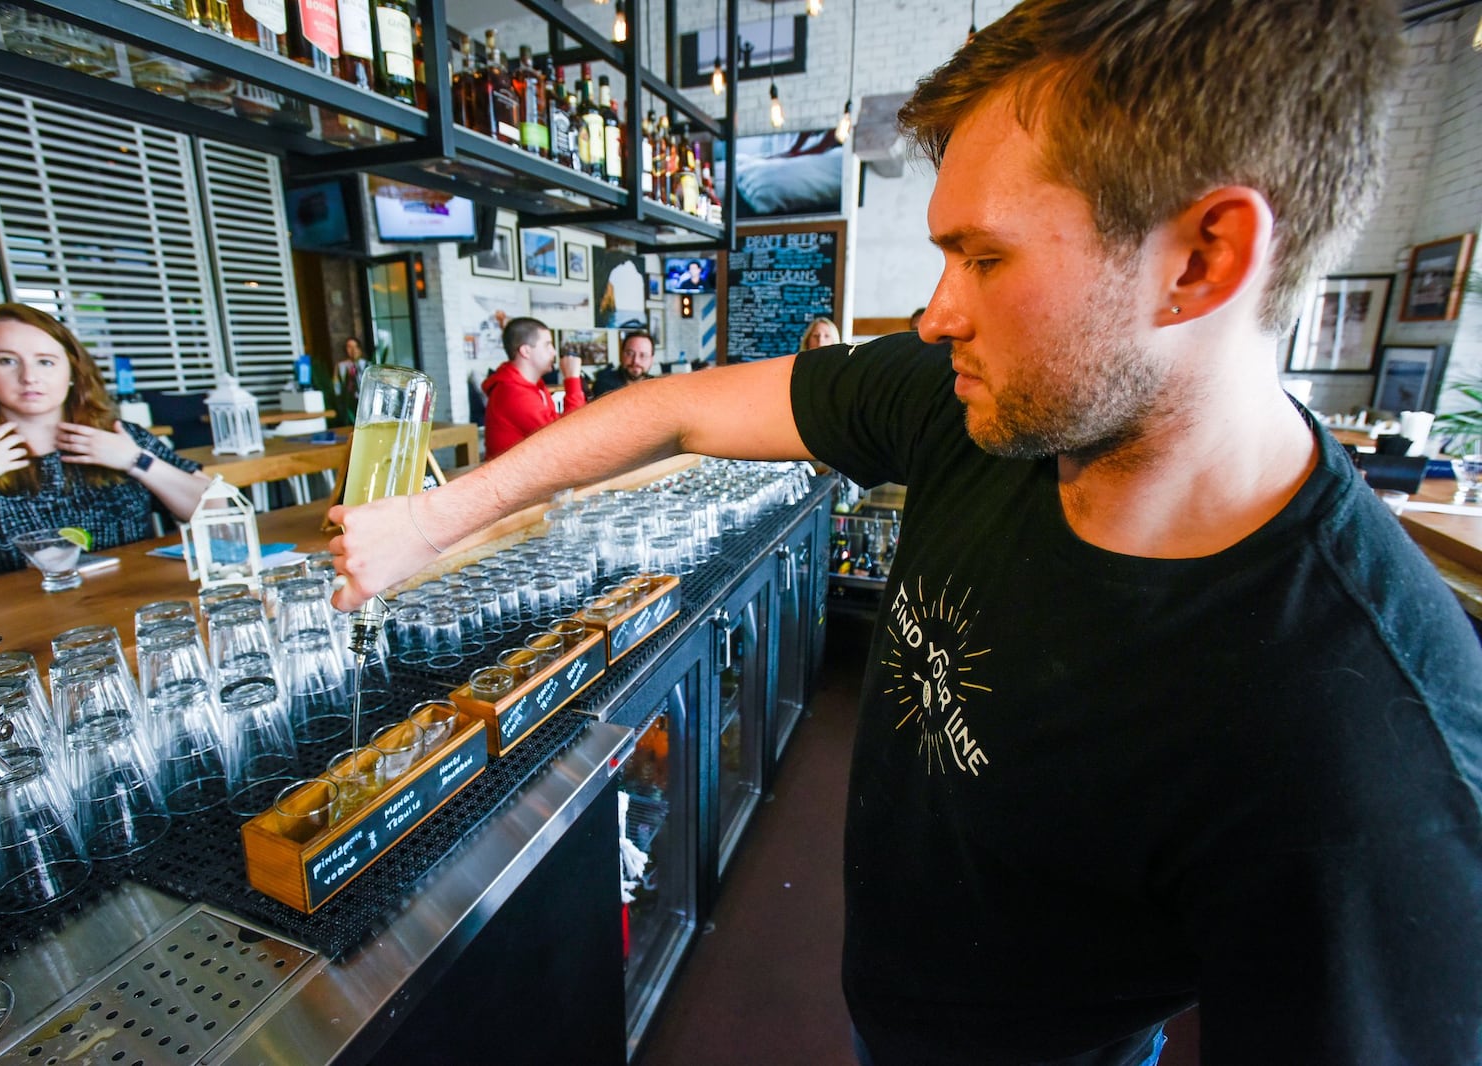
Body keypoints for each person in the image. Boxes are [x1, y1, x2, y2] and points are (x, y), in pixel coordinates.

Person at [331, 2, 1482, 1063]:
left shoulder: (1368, 743)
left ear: (1202, 258)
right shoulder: (965, 401)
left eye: (984, 257)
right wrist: (428, 519)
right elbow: (678, 407)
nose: (936, 312)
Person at [0, 303, 210, 575]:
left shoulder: (119, 434)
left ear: (73, 372)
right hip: (22, 615)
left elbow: (215, 508)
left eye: (45, 361)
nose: (29, 377)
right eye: (7, 360)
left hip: (135, 603)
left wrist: (136, 461)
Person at [480, 317, 584, 457]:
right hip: (517, 476)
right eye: (548, 345)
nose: (554, 352)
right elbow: (568, 437)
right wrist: (572, 379)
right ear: (526, 351)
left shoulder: (535, 386)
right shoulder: (512, 392)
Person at [592, 331, 655, 397]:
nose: (636, 361)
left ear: (651, 359)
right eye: (630, 354)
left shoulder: (658, 387)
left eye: (643, 355)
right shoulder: (603, 385)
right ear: (621, 355)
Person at [334, 336, 366, 421]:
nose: (353, 350)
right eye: (349, 347)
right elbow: (336, 385)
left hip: (363, 400)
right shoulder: (341, 366)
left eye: (355, 346)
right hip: (348, 401)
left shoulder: (366, 365)